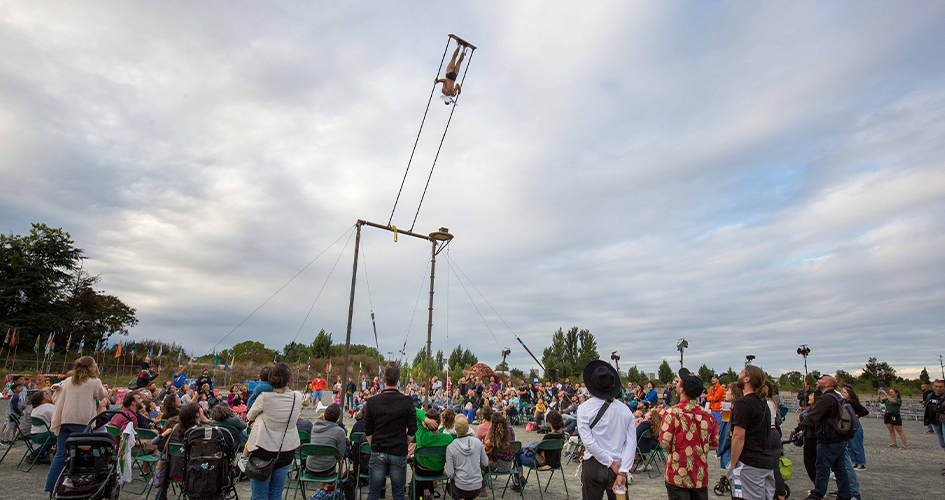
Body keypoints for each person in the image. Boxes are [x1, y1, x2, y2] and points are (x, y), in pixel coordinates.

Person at [45, 356, 110, 493]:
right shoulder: (94, 382)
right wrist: (97, 376)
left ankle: (51, 486)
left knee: (61, 453)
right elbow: (102, 394)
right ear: (91, 367)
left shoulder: (68, 381)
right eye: (95, 364)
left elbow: (55, 395)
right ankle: (73, 480)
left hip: (64, 420)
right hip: (81, 421)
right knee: (83, 454)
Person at [576, 360, 637, 500]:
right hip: (618, 464)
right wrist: (623, 471)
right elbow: (631, 444)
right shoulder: (626, 411)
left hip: (594, 463)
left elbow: (589, 443)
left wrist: (610, 463)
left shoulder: (584, 409)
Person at [242, 363, 303, 500]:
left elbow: (250, 415)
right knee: (276, 493)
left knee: (259, 495)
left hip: (263, 449)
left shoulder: (264, 397)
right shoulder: (297, 397)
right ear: (289, 379)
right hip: (286, 450)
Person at [659, 368, 719, 500]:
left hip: (677, 475)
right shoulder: (708, 416)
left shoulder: (672, 413)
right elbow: (714, 444)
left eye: (678, 383)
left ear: (682, 390)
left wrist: (680, 448)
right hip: (699, 475)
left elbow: (664, 443)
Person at [794, 375, 853, 500]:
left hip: (828, 438)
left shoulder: (826, 399)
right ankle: (845, 495)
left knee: (822, 467)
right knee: (840, 469)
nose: (817, 382)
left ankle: (817, 494)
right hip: (839, 437)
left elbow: (813, 416)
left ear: (827, 384)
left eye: (820, 380)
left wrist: (798, 428)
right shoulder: (837, 397)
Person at [363, 362, 417, 500]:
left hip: (378, 449)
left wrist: (373, 445)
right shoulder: (407, 401)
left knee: (373, 494)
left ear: (383, 379)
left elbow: (368, 430)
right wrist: (405, 443)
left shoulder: (372, 402)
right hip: (398, 451)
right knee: (398, 494)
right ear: (399, 379)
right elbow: (412, 429)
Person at [727, 365, 774, 500]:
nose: (738, 375)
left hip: (749, 464)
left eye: (741, 372)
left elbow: (738, 436)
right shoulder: (763, 403)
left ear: (747, 379)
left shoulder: (743, 403)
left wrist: (733, 463)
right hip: (766, 462)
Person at [412, 407, 454, 499]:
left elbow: (414, 410)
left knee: (416, 460)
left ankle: (422, 492)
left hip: (422, 471)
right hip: (438, 470)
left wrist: (426, 419)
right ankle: (427, 490)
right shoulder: (448, 438)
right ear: (439, 422)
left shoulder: (421, 436)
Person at [445, 415, 488, 500]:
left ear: (455, 429)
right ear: (468, 428)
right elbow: (485, 463)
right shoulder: (477, 442)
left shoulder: (451, 447)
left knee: (449, 486)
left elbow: (450, 474)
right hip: (477, 486)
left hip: (461, 487)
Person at [307, 403, 347, 478]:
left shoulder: (314, 427)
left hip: (310, 466)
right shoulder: (339, 432)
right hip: (327, 468)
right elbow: (340, 455)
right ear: (338, 418)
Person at [842, 386, 869, 470]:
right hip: (848, 425)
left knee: (857, 445)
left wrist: (857, 415)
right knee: (849, 445)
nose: (843, 394)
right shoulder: (844, 402)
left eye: (845, 393)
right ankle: (854, 461)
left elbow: (865, 411)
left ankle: (861, 463)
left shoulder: (854, 403)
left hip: (855, 425)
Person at [24, 390, 55, 464]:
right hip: (44, 435)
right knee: (61, 435)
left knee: (53, 437)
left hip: (34, 435)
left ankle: (35, 455)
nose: (49, 395)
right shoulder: (49, 407)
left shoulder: (35, 409)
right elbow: (57, 419)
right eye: (46, 394)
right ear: (42, 400)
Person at [925, 380, 945, 455]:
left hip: (942, 421)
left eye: (941, 387)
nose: (938, 388)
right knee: (942, 443)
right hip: (934, 422)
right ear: (933, 387)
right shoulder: (930, 395)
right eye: (936, 386)